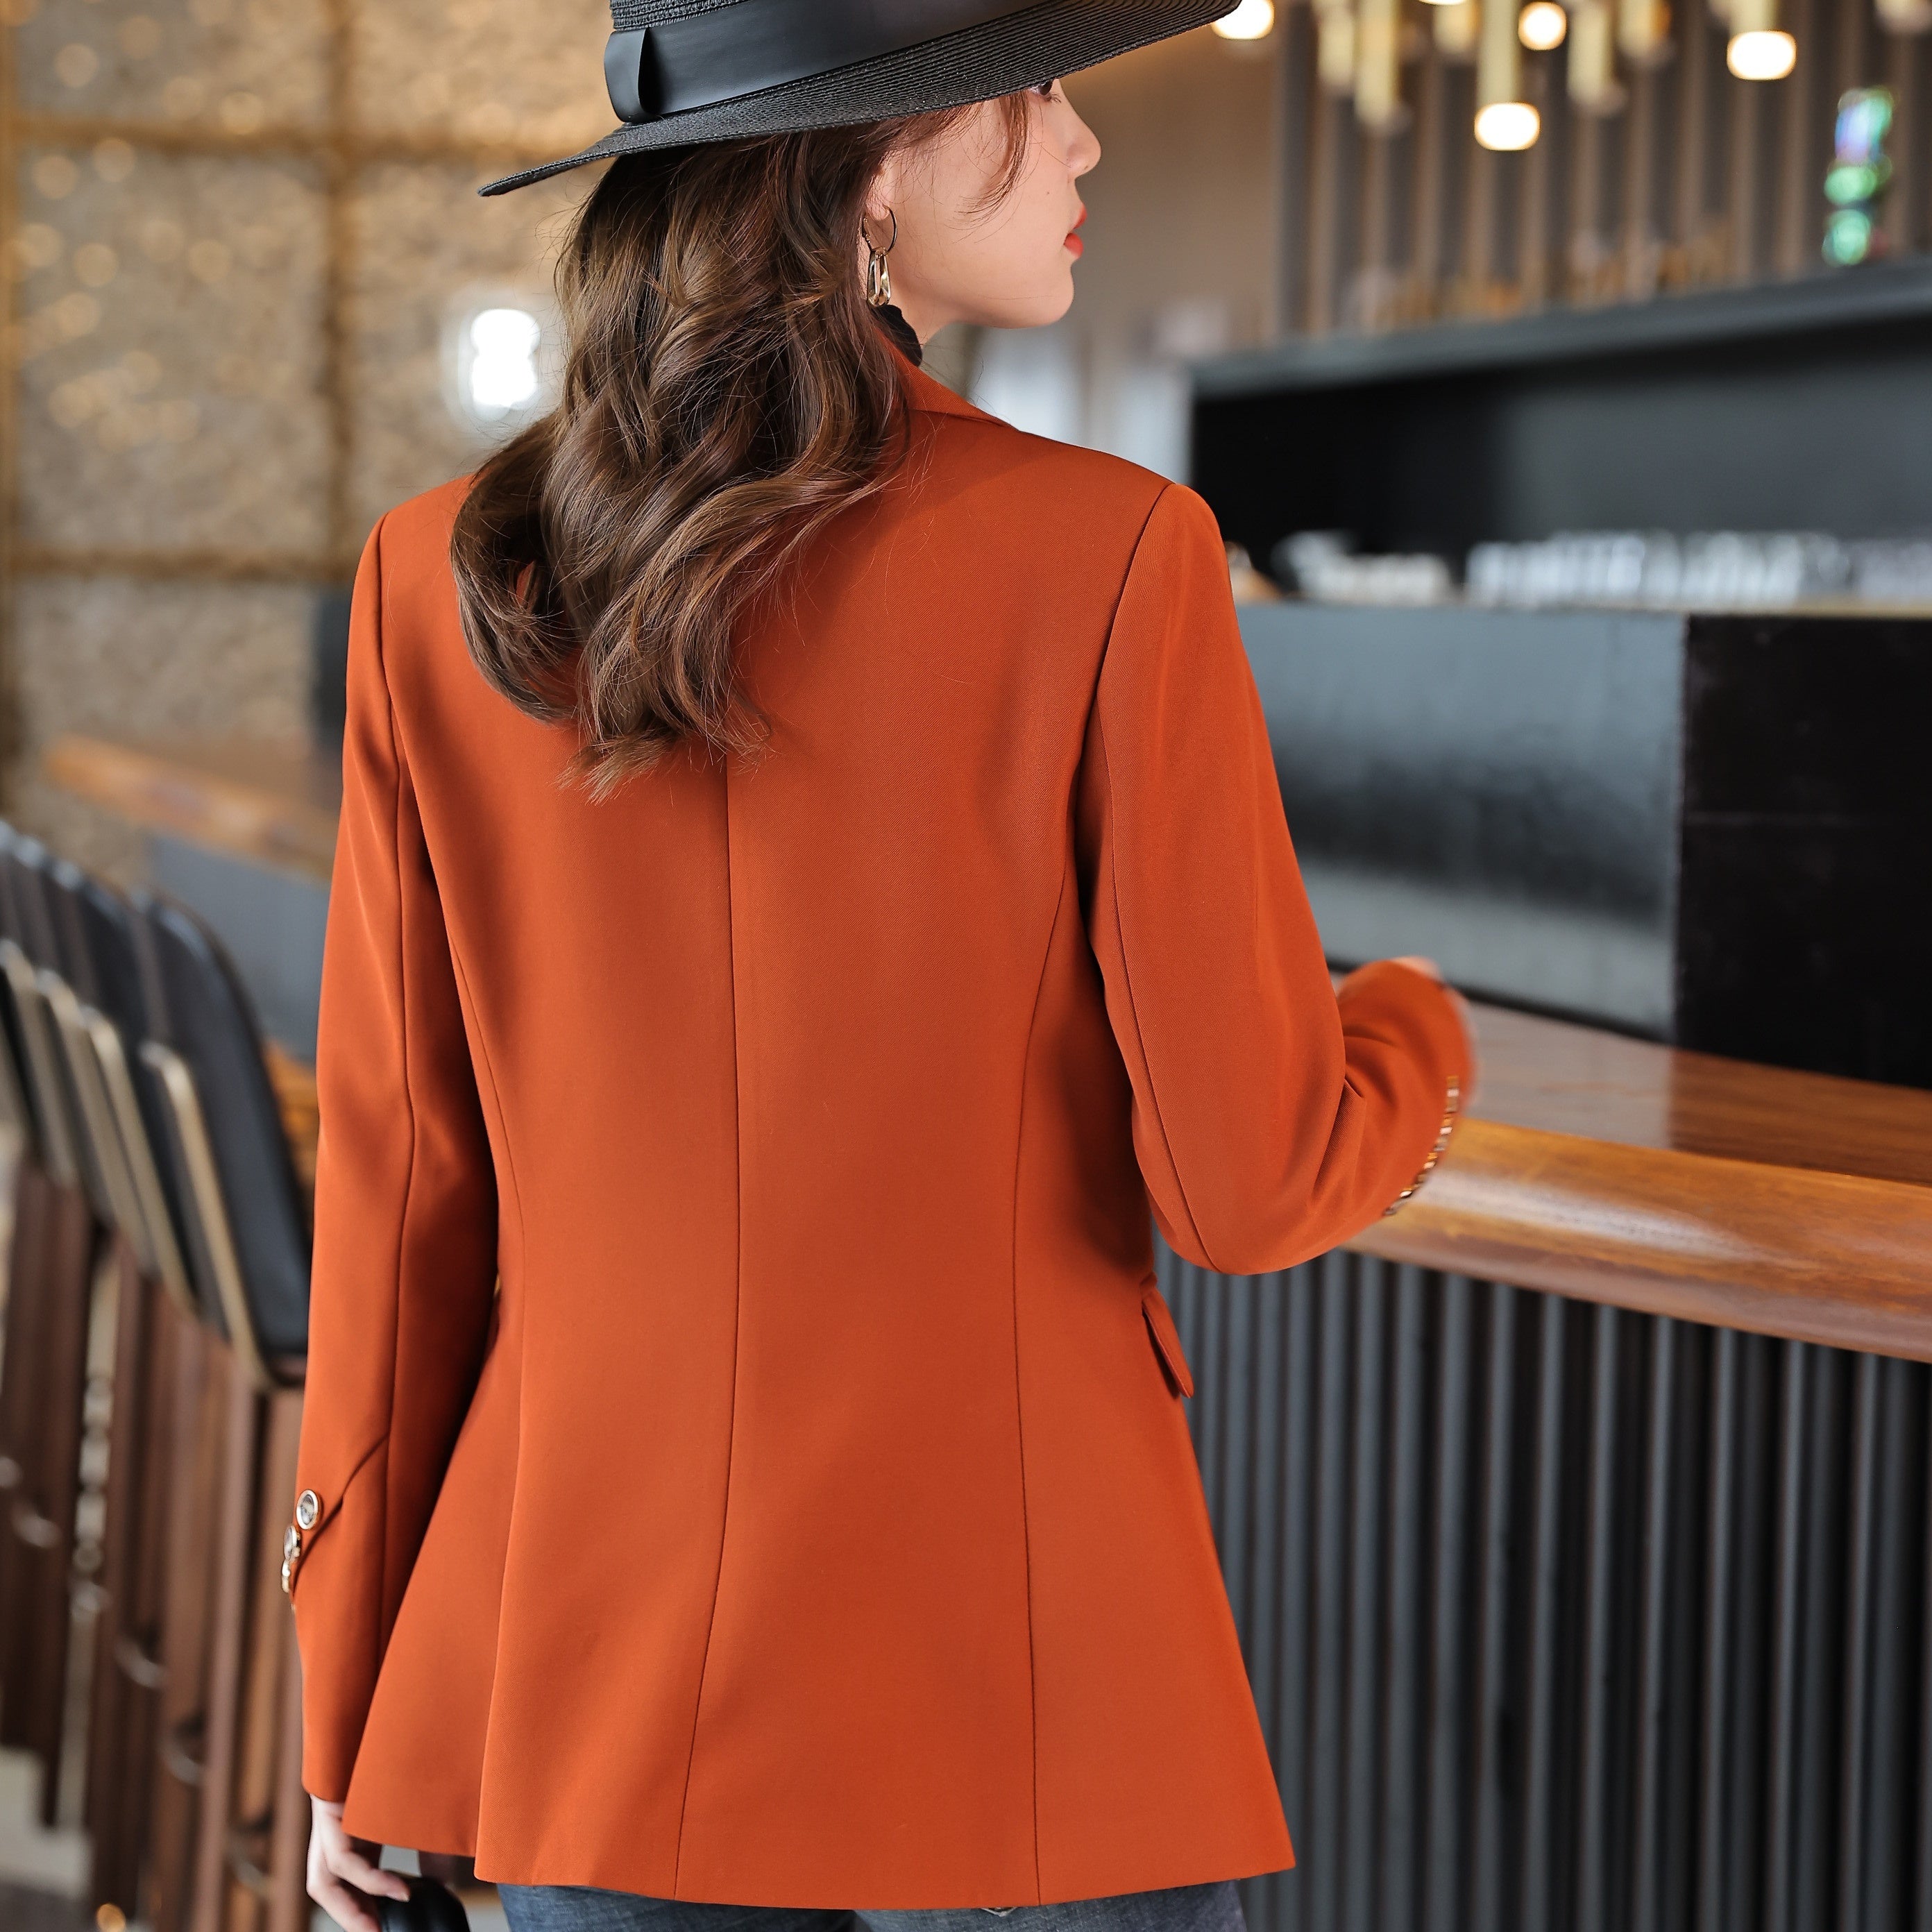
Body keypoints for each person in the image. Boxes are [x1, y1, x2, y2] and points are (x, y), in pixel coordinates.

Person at [292, 6, 1475, 1932]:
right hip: (1018, 1680)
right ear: (863, 170)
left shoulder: (439, 578)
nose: (1083, 143)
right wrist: (1418, 1026)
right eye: (1034, 91)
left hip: (580, 1673)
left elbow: (405, 1195)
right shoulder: (1116, 554)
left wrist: (354, 1693)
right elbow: (1252, 1182)